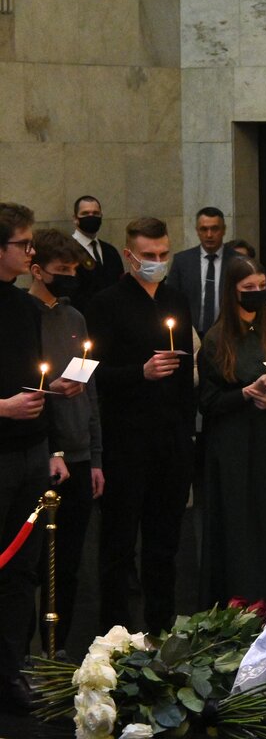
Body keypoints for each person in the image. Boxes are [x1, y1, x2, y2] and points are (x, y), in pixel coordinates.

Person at [86, 217, 195, 634]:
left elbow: (186, 376)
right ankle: (113, 635)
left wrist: (187, 434)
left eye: (164, 254)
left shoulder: (176, 300)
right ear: (129, 256)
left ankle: (160, 628)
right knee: (118, 543)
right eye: (149, 255)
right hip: (125, 440)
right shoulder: (106, 303)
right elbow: (93, 375)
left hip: (171, 439)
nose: (157, 261)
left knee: (165, 542)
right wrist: (141, 372)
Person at [0, 204, 79, 712]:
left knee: (22, 571)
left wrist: (56, 398)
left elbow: (34, 378)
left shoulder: (26, 308)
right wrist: (2, 407)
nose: (30, 252)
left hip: (30, 453)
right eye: (23, 244)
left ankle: (10, 672)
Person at [199, 256, 266, 607]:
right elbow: (208, 402)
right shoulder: (216, 339)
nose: (257, 293)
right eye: (248, 288)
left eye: (261, 287)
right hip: (233, 443)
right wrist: (245, 393)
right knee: (239, 524)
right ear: (233, 291)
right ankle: (239, 605)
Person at [28, 229, 104, 653]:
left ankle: (57, 652)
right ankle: (23, 656)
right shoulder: (23, 316)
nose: (70, 278)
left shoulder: (75, 318)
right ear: (38, 270)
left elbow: (89, 392)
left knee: (69, 565)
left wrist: (95, 457)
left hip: (78, 452)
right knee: (32, 565)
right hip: (39, 453)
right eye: (62, 271)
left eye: (74, 270)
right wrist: (50, 390)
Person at [166, 207, 238, 337]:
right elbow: (170, 299)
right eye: (204, 229)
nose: (209, 235)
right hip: (190, 334)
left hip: (229, 334)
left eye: (215, 229)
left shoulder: (238, 261)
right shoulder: (182, 261)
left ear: (224, 230)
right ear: (197, 231)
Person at [69, 195, 123, 313]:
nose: (91, 217)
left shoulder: (111, 251)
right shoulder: (67, 251)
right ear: (75, 218)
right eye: (85, 213)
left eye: (95, 213)